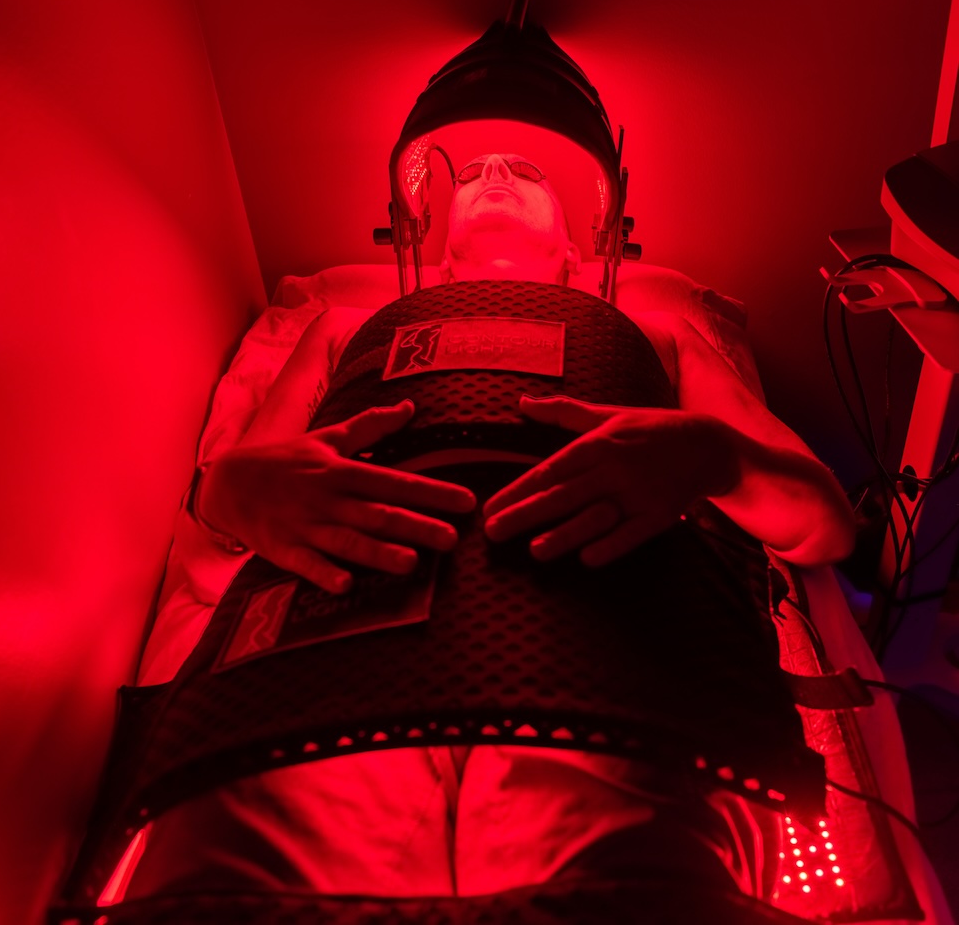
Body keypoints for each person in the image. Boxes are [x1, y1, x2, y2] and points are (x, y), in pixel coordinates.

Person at [119, 153, 856, 920]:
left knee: (635, 886)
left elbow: (824, 528)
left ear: (579, 251)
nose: (496, 170)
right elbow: (215, 555)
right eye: (471, 170)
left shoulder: (654, 333)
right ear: (435, 247)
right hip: (332, 640)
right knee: (228, 887)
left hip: (603, 642)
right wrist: (226, 493)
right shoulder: (345, 327)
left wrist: (715, 456)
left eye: (527, 172)